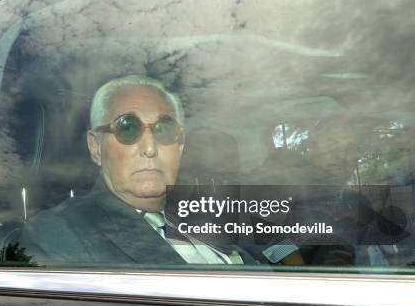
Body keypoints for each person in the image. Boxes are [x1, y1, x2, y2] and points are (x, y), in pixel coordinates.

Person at [19, 75, 248, 266]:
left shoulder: (205, 213)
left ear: (180, 146)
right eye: (127, 128)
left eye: (164, 129)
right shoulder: (57, 235)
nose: (149, 148)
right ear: (96, 147)